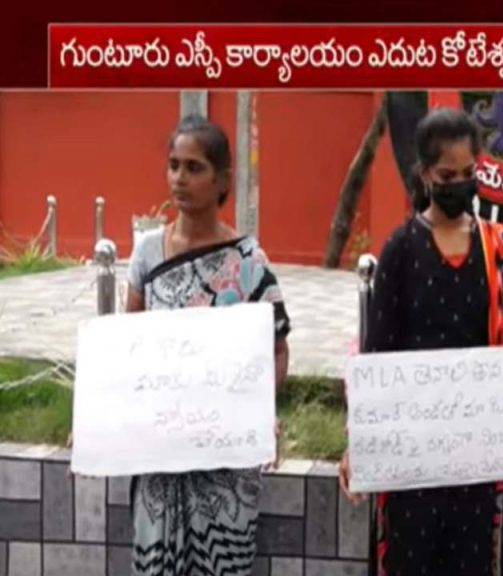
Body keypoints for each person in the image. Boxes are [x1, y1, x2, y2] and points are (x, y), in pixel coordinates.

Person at [338, 107, 503, 576]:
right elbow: (378, 353)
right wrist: (361, 441)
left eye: (469, 173)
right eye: (447, 174)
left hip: (476, 453)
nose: (459, 183)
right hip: (413, 452)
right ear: (424, 174)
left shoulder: (496, 249)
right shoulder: (400, 250)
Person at [124, 115, 291, 575]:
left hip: (225, 466)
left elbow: (277, 350)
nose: (180, 178)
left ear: (222, 181)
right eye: (174, 165)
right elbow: (128, 350)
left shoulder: (248, 262)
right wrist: (102, 423)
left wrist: (259, 410)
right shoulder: (147, 255)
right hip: (160, 458)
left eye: (194, 168)